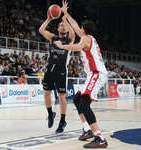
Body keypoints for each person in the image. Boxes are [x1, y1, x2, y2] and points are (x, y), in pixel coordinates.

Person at [53, 1, 108, 148]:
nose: (79, 28)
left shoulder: (85, 39)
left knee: (84, 104)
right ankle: (87, 129)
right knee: (78, 99)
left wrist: (62, 45)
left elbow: (76, 47)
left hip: (97, 74)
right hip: (93, 74)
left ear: (84, 30)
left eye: (81, 28)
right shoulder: (88, 37)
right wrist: (65, 13)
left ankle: (100, 138)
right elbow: (75, 25)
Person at [39, 3, 75, 134]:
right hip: (50, 68)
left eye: (64, 25)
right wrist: (49, 18)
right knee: (46, 93)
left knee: (61, 96)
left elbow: (73, 33)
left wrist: (65, 17)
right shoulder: (52, 37)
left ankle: (62, 120)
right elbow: (41, 30)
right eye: (60, 24)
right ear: (58, 28)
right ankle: (50, 114)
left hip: (61, 70)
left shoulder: (69, 39)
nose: (62, 25)